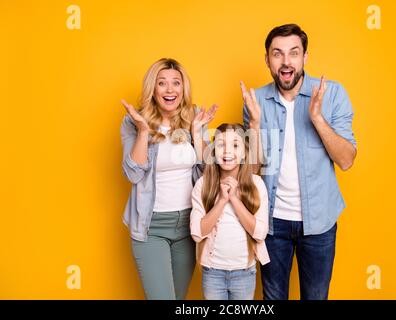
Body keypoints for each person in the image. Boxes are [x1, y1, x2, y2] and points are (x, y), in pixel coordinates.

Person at [242, 24, 357, 300]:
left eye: (293, 53)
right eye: (277, 54)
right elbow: (252, 174)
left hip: (319, 222)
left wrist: (317, 118)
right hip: (272, 223)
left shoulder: (332, 94)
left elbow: (346, 160)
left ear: (305, 57)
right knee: (272, 298)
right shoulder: (255, 99)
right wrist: (255, 124)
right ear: (267, 60)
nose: (285, 61)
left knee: (316, 296)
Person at [120, 58, 217, 299]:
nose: (170, 89)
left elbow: (209, 172)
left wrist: (197, 132)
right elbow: (133, 173)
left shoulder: (194, 117)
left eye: (176, 83)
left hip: (188, 224)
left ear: (184, 88)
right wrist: (144, 131)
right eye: (162, 83)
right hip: (151, 227)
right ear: (153, 89)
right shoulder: (134, 122)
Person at [190, 123, 270, 300]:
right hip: (213, 273)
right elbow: (197, 233)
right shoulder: (203, 185)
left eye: (235, 145)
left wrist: (234, 199)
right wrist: (222, 201)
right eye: (220, 145)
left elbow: (260, 233)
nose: (227, 151)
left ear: (244, 153)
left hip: (244, 272)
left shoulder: (256, 184)